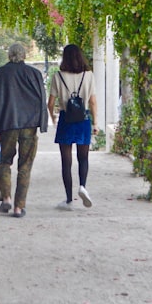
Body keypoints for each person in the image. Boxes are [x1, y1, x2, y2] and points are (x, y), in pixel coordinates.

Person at [0, 42, 48, 218]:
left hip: (8, 124)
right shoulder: (34, 74)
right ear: (24, 55)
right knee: (25, 165)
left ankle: (6, 198)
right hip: (29, 125)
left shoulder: (1, 73)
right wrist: (43, 122)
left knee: (4, 162)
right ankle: (19, 207)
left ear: (9, 55)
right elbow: (41, 100)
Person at [47, 44, 98, 210]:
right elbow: (92, 101)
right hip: (83, 119)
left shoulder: (58, 76)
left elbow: (51, 102)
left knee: (66, 161)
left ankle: (68, 199)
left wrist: (53, 117)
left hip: (66, 119)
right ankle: (83, 186)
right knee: (83, 157)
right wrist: (95, 123)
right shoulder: (89, 75)